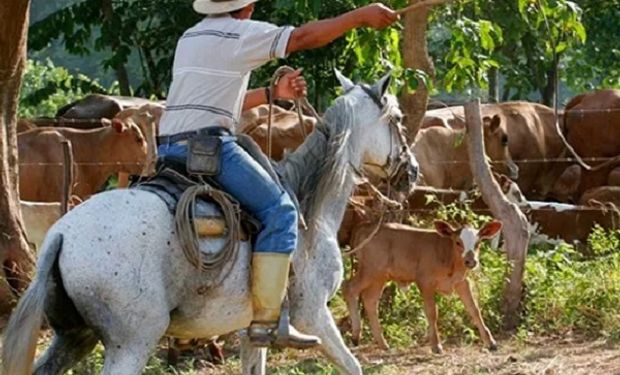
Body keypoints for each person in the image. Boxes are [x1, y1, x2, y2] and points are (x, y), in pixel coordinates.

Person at [158, 0, 399, 349]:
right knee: (281, 211)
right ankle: (269, 321)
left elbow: (223, 103)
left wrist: (273, 95)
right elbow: (302, 37)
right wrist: (360, 17)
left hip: (168, 151)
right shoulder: (240, 31)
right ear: (247, 8)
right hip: (209, 149)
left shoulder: (190, 38)